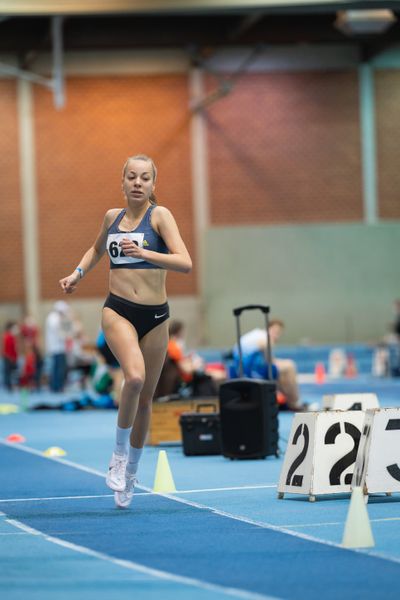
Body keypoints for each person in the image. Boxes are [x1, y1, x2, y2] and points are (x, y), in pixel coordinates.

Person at [59, 154, 192, 508]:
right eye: (131, 177)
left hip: (157, 316)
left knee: (146, 398)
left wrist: (146, 253)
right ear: (122, 182)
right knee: (133, 378)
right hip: (118, 310)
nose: (137, 183)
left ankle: (131, 474)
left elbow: (185, 263)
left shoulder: (160, 217)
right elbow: (96, 249)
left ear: (152, 184)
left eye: (144, 178)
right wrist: (77, 274)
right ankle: (118, 456)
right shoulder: (111, 218)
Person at [233, 319, 308, 411]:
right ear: (268, 328)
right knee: (289, 366)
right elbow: (270, 362)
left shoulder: (256, 334)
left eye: (279, 333)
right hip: (249, 369)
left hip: (246, 366)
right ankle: (295, 403)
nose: (276, 335)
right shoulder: (266, 338)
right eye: (275, 331)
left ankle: (290, 401)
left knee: (281, 371)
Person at [45, 301, 71, 392]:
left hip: (59, 347)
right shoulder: (53, 318)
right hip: (56, 348)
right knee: (57, 368)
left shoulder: (57, 317)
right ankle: (56, 386)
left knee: (59, 368)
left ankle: (58, 386)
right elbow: (60, 332)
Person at [2, 321, 19, 391]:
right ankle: (8, 386)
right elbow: (8, 348)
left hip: (12, 357)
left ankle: (11, 386)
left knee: (12, 373)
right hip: (9, 358)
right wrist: (10, 358)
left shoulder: (12, 337)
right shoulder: (8, 336)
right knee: (8, 373)